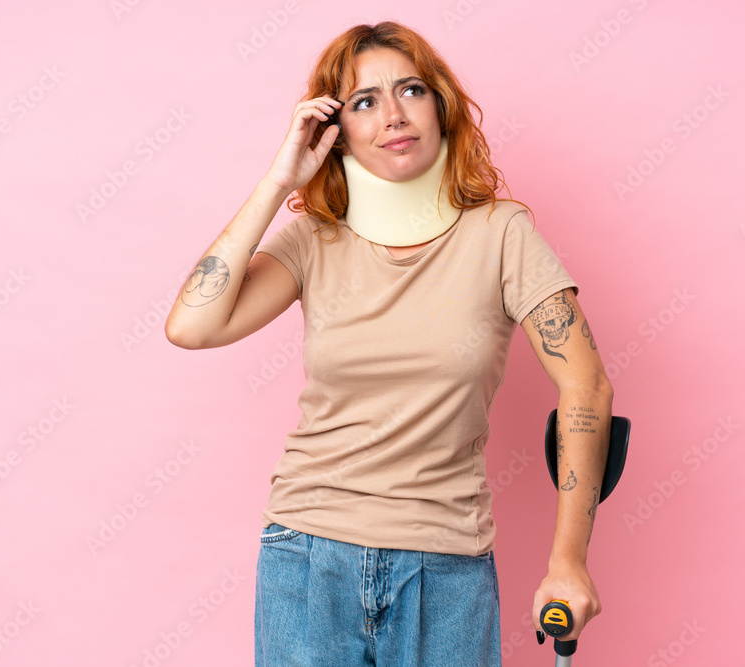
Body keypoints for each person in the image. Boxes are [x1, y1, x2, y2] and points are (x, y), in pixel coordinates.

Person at [164, 20, 613, 667]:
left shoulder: (500, 234)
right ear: (335, 129)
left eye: (410, 90)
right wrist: (279, 180)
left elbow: (587, 383)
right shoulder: (313, 241)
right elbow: (191, 325)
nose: (394, 114)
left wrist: (569, 560)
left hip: (445, 564)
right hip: (307, 555)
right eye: (364, 101)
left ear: (441, 105)